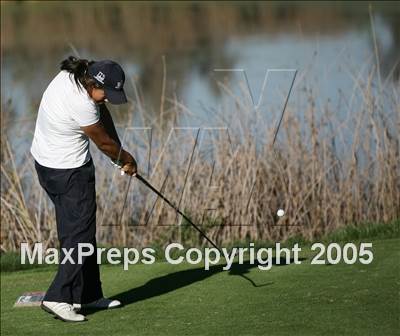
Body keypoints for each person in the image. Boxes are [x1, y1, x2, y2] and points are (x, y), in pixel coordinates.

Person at [30, 56, 137, 322]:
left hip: (46, 164)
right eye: (107, 93)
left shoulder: (75, 76)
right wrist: (126, 159)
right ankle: (59, 297)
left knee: (78, 230)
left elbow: (104, 115)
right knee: (79, 234)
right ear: (93, 84)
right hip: (69, 173)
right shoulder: (83, 104)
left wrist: (118, 153)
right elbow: (103, 141)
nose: (109, 99)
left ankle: (88, 293)